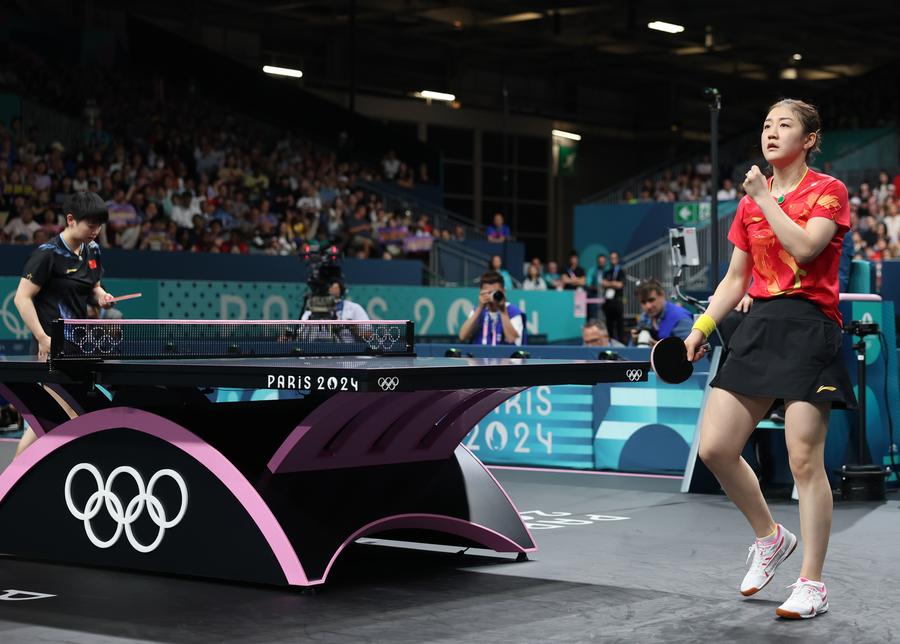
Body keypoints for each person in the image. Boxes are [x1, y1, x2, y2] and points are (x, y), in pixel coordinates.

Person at [684, 99, 855, 620]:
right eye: (765, 125)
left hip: (809, 325)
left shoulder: (829, 191)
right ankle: (769, 536)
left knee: (804, 459)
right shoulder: (748, 205)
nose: (771, 132)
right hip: (758, 327)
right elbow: (735, 280)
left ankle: (812, 583)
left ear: (808, 139)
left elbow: (806, 248)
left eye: (785, 125)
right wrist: (701, 328)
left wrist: (764, 196)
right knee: (715, 447)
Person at [13, 191, 115, 456]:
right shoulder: (47, 254)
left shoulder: (92, 250)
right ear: (71, 220)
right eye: (91, 225)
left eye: (99, 225)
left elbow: (92, 284)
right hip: (52, 347)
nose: (96, 231)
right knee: (62, 413)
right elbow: (21, 298)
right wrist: (42, 337)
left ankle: (13, 478)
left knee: (53, 417)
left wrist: (101, 296)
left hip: (79, 346)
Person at [458, 271, 525, 346]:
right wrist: (479, 308)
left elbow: (512, 339)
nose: (492, 296)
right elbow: (462, 337)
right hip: (478, 356)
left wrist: (503, 311)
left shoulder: (513, 312)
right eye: (488, 293)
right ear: (481, 292)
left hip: (504, 356)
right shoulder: (477, 311)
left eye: (495, 292)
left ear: (504, 292)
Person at [629, 279, 692, 346]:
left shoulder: (680, 317)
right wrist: (634, 341)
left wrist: (660, 348)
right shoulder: (644, 318)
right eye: (643, 302)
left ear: (662, 295)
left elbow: (688, 349)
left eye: (651, 300)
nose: (648, 306)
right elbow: (629, 351)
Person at [300, 278, 369, 321]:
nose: (330, 289)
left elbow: (370, 336)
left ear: (341, 290)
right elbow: (300, 335)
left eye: (333, 286)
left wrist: (353, 328)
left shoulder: (354, 308)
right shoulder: (314, 309)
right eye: (328, 286)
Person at [601, 251, 626, 343]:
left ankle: (621, 344)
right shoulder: (607, 271)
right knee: (609, 324)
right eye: (611, 258)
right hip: (608, 301)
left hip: (618, 301)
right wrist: (613, 284)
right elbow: (603, 283)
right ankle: (610, 343)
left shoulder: (621, 271)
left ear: (618, 259)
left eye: (615, 258)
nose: (613, 260)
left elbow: (620, 285)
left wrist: (609, 283)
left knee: (619, 324)